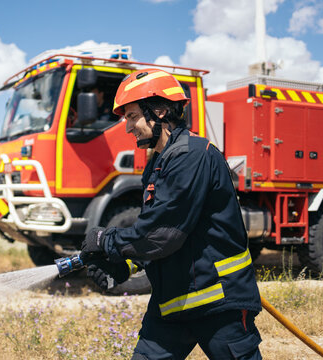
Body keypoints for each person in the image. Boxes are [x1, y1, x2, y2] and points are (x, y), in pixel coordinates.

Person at [80, 68, 263, 360]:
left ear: (160, 110)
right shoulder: (158, 164)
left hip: (218, 302)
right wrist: (125, 266)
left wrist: (106, 241)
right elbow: (153, 231)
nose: (127, 127)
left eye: (131, 116)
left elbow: (163, 234)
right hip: (173, 302)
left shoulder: (193, 155)